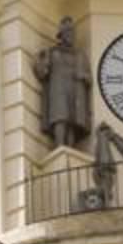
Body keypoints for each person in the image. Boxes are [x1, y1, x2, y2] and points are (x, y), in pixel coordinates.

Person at [33, 16, 92, 147]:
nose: (71, 35)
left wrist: (83, 76)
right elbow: (42, 72)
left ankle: (69, 147)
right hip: (58, 90)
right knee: (60, 117)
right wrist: (40, 59)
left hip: (75, 91)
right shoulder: (52, 52)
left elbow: (88, 77)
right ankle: (60, 145)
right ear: (61, 35)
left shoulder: (80, 54)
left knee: (73, 119)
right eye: (68, 32)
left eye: (72, 33)